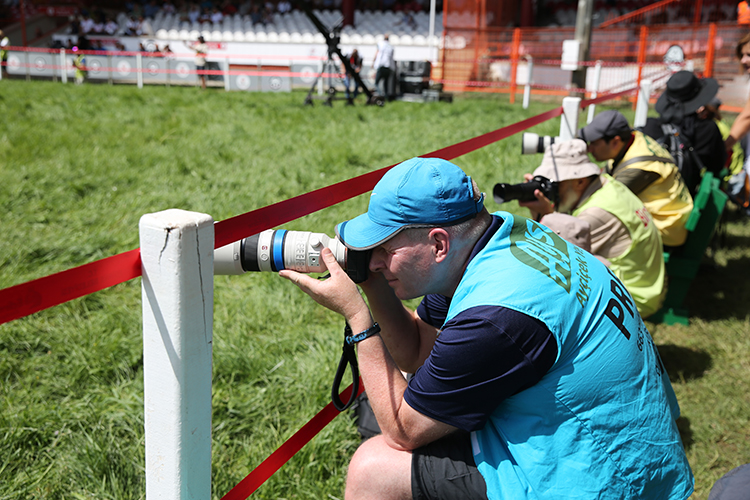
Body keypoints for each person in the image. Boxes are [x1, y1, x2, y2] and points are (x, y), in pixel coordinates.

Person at [280, 156, 693, 500]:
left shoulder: (497, 315)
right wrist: (371, 279)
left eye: (385, 248)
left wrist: (358, 319)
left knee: (373, 468)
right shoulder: (497, 240)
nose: (374, 258)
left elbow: (405, 431)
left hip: (599, 478)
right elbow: (418, 351)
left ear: (439, 244)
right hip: (625, 444)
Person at [519, 139, 666, 318]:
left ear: (580, 182)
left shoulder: (594, 214)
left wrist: (546, 215)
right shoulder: (606, 184)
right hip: (645, 281)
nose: (551, 192)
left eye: (555, 185)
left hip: (634, 295)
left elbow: (553, 261)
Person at [579, 109, 694, 247]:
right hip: (671, 218)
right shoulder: (636, 138)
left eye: (594, 143)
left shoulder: (639, 168)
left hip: (666, 230)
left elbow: (603, 200)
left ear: (615, 141)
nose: (589, 149)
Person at [641, 70, 726, 194]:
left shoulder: (649, 126)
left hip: (646, 196)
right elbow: (717, 166)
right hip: (682, 198)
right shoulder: (708, 129)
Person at [373, 34, 395, 100]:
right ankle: (386, 96)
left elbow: (377, 53)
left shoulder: (380, 44)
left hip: (381, 66)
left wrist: (373, 62)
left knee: (376, 82)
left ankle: (380, 95)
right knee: (386, 83)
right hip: (388, 67)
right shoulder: (391, 46)